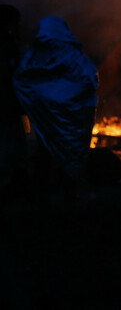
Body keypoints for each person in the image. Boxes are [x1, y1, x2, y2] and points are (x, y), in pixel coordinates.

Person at [13, 16, 98, 204]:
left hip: (48, 115)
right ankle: (67, 190)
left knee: (47, 148)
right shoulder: (72, 54)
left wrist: (38, 100)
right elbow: (90, 77)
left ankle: (45, 191)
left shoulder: (35, 55)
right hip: (71, 114)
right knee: (71, 151)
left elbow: (22, 79)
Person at [0, 4, 28, 200]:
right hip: (5, 109)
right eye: (14, 24)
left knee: (16, 147)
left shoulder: (12, 49)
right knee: (10, 148)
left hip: (11, 109)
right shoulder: (6, 51)